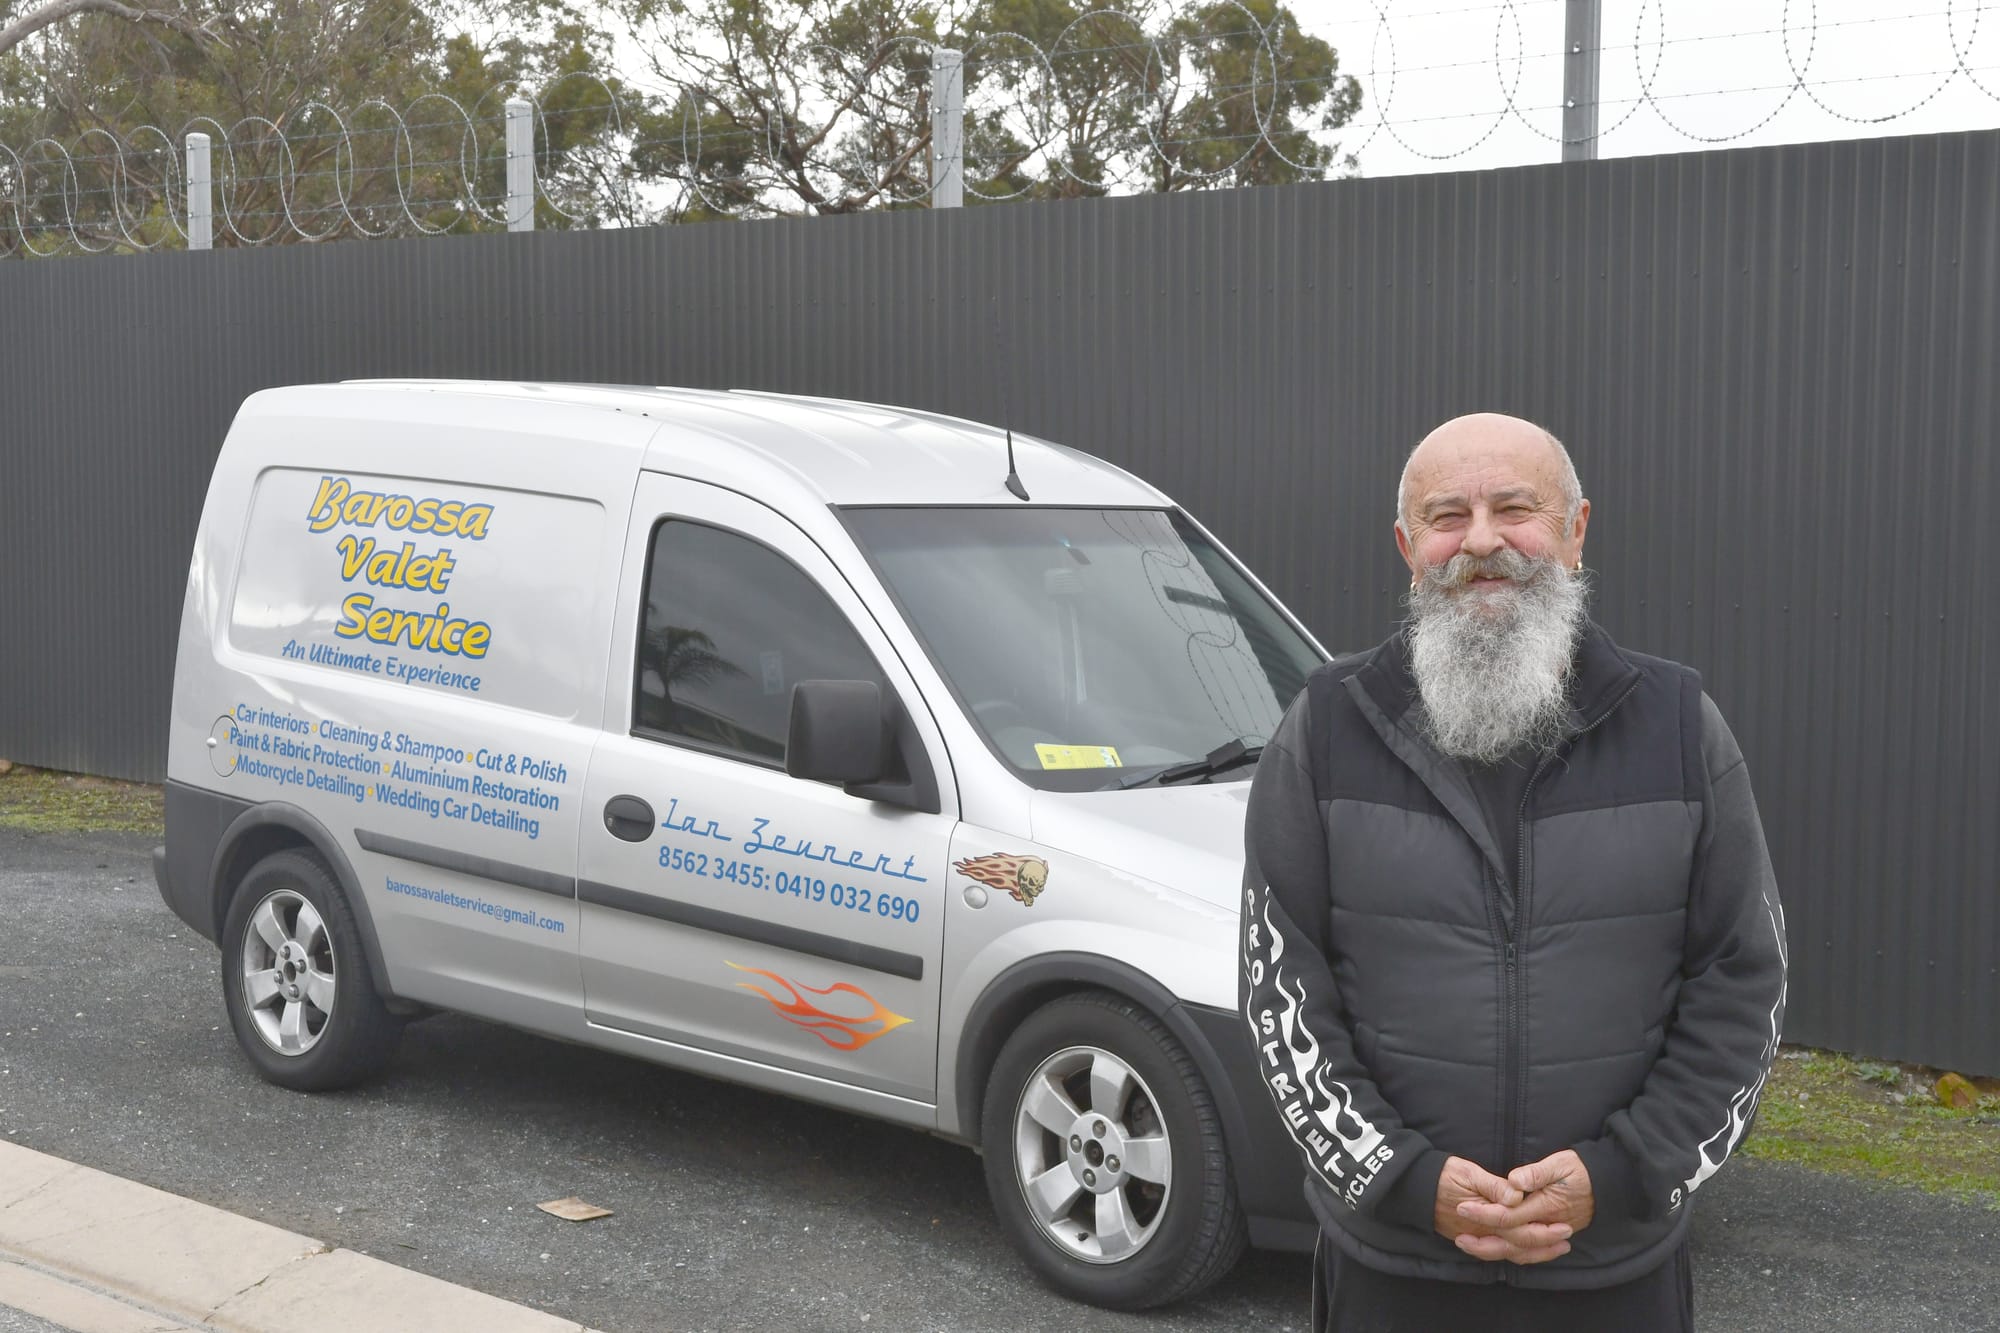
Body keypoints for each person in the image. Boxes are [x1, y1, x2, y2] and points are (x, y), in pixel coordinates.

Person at [1239, 412, 1786, 1331]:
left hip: (1613, 1271)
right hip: (1392, 1268)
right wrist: (1403, 1177)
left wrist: (1622, 1172)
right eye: (1448, 516)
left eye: (1515, 508)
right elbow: (1280, 993)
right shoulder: (1327, 727)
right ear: (1408, 547)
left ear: (1576, 531)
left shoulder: (1681, 729)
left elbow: (1744, 983)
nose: (1482, 541)